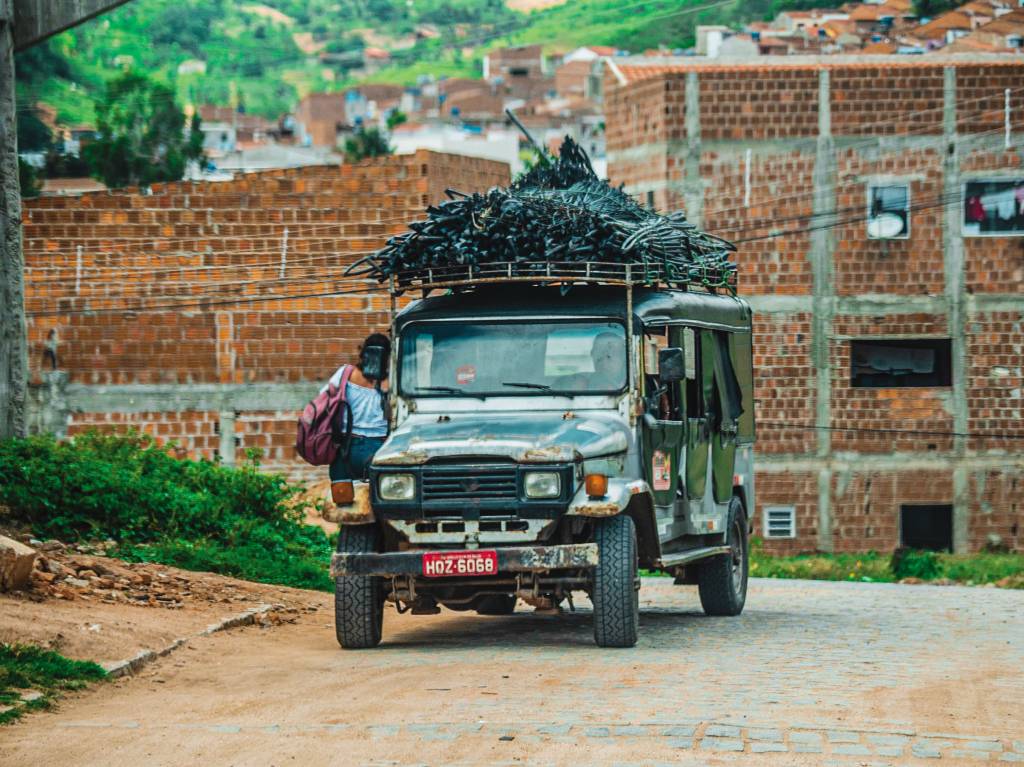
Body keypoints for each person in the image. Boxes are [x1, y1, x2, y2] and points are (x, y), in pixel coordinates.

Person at [324, 332, 391, 500]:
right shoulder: (393, 381)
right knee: (382, 504)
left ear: (364, 352)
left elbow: (324, 401)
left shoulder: (345, 373)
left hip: (345, 450)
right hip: (379, 451)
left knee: (345, 504)